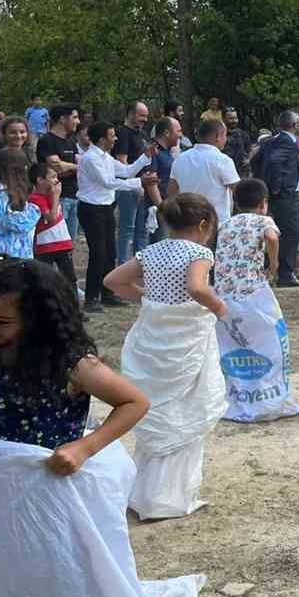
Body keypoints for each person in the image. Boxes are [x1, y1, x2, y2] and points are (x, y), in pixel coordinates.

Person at [0, 258, 214, 597]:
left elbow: (134, 403)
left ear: (37, 317)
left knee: (61, 567)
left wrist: (85, 447)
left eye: (1, 321)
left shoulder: (72, 364)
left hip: (51, 491)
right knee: (12, 566)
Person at [103, 194, 228, 520]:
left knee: (158, 409)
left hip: (153, 336)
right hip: (186, 336)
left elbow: (113, 281)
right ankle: (171, 495)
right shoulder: (200, 252)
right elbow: (197, 288)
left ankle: (145, 491)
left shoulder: (151, 251)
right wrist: (218, 306)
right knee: (186, 406)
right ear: (204, 225)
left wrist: (144, 296)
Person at [213, 179, 299, 423]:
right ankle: (268, 397)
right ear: (264, 204)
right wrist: (273, 264)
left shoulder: (225, 224)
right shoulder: (264, 220)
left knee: (232, 345)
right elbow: (272, 238)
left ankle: (238, 396)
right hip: (253, 292)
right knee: (268, 343)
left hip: (222, 297)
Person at [78, 121, 156, 313]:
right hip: (91, 208)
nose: (115, 139)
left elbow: (126, 171)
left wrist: (145, 158)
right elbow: (108, 182)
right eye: (112, 135)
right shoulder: (90, 158)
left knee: (110, 253)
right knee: (98, 253)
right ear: (102, 139)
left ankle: (107, 294)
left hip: (105, 208)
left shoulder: (106, 157)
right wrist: (140, 182)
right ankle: (91, 298)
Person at [249, 111, 299, 286]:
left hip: (278, 193)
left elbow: (254, 162)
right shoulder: (286, 142)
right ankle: (284, 273)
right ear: (296, 124)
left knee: (283, 231)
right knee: (292, 231)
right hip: (284, 194)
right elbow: (274, 162)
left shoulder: (270, 141)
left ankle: (280, 270)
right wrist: (277, 187)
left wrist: (263, 183)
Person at [168, 118, 241, 227]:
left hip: (187, 222)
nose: (226, 139)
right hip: (215, 224)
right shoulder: (222, 160)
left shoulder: (180, 159)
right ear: (218, 136)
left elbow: (171, 193)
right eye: (225, 135)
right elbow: (239, 192)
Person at [0, 149, 43, 260]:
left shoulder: (13, 190)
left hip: (16, 251)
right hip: (1, 251)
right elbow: (13, 222)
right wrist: (35, 209)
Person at [112, 101, 153, 264]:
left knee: (142, 230)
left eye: (146, 116)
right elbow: (122, 163)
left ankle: (140, 266)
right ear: (130, 114)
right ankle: (123, 263)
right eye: (141, 115)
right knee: (127, 229)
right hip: (128, 188)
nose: (145, 119)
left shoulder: (141, 134)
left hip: (143, 186)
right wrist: (135, 186)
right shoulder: (123, 133)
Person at [35, 105, 82, 241]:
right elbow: (57, 167)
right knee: (55, 242)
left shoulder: (71, 141)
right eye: (75, 117)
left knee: (69, 243)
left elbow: (81, 164)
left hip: (74, 196)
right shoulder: (46, 140)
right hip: (56, 198)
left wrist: (71, 167)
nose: (78, 122)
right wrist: (75, 167)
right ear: (62, 119)